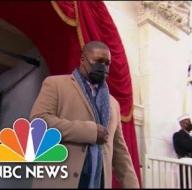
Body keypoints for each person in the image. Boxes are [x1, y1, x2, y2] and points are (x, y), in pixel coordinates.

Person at [29, 41, 139, 188]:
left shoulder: (113, 104)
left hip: (98, 183)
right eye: (98, 61)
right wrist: (90, 131)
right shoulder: (55, 84)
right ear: (83, 60)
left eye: (107, 63)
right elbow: (38, 123)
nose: (103, 67)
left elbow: (120, 151)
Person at [172, 114, 192, 188]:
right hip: (186, 165)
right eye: (188, 122)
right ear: (181, 123)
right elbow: (190, 146)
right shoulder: (178, 135)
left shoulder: (190, 137)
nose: (190, 124)